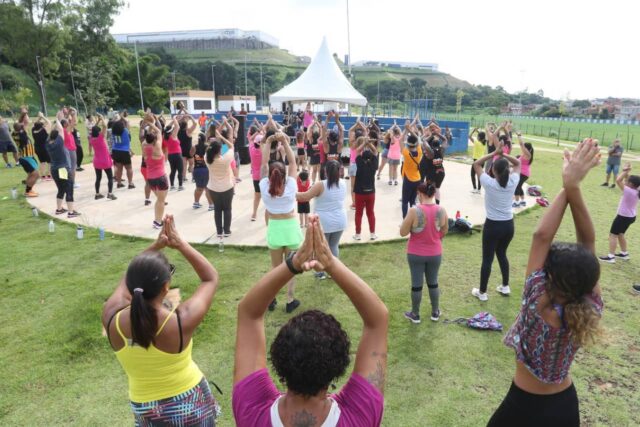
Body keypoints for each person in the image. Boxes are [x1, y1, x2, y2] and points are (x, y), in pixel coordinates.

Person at [488, 139, 603, 427]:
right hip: (564, 407)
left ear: (549, 278)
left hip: (522, 408)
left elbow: (543, 236)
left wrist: (570, 185)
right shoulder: (591, 306)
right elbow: (587, 242)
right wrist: (572, 185)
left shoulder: (537, 304)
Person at [232, 216, 387, 426]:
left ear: (278, 359)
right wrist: (330, 263)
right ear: (338, 367)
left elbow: (249, 313)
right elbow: (378, 319)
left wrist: (293, 264)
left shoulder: (253, 411)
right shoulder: (359, 416)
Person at [102, 215, 221, 426]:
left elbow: (131, 275)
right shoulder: (179, 322)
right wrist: (180, 244)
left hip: (145, 409)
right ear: (166, 287)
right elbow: (210, 277)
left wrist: (155, 247)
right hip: (190, 405)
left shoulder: (111, 316)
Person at [259, 131, 303, 313]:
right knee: (290, 268)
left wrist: (269, 143)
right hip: (291, 228)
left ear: (270, 175)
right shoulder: (291, 185)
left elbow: (263, 165)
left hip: (275, 228)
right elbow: (293, 162)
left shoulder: (263, 186)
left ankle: (271, 298)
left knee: (275, 268)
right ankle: (290, 300)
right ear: (284, 175)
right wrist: (285, 141)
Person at [471, 145, 521, 301]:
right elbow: (518, 164)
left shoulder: (489, 182)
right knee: (502, 253)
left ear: (493, 171)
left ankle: (483, 293)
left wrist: (494, 153)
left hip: (493, 226)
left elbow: (476, 164)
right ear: (507, 170)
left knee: (487, 259)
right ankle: (505, 286)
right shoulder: (513, 180)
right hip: (508, 225)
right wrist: (504, 154)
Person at [400, 182, 448, 323]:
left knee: (417, 284)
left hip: (415, 253)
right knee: (433, 282)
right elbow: (444, 230)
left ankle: (415, 314)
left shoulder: (414, 211)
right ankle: (435, 312)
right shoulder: (441, 210)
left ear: (419, 194)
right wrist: (435, 238)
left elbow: (403, 232)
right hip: (435, 253)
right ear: (433, 194)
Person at [297, 160, 348, 280]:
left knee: (320, 248)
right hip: (340, 220)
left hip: (324, 222)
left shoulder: (321, 185)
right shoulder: (343, 183)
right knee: (333, 246)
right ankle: (333, 272)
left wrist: (288, 192)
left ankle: (321, 272)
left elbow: (304, 196)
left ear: (326, 171)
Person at [598, 162, 639, 263]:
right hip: (631, 217)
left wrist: (625, 171)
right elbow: (627, 180)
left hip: (623, 217)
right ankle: (624, 253)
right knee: (621, 234)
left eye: (628, 181)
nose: (626, 182)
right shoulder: (637, 190)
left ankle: (611, 256)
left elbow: (618, 180)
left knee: (613, 235)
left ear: (631, 185)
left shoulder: (628, 191)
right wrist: (627, 172)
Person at [45, 122, 79, 217]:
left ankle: (59, 209)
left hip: (54, 169)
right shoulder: (59, 142)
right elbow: (60, 129)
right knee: (69, 189)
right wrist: (57, 119)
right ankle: (71, 212)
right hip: (63, 169)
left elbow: (50, 133)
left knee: (61, 189)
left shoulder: (47, 143)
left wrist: (53, 126)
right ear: (58, 137)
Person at [206, 129, 235, 238]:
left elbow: (210, 149)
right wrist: (222, 137)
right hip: (227, 187)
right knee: (227, 209)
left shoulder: (207, 158)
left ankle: (219, 232)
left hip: (213, 188)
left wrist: (215, 140)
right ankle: (227, 231)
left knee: (217, 210)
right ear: (220, 151)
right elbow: (231, 146)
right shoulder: (226, 158)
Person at [141, 119, 169, 229]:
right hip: (161, 177)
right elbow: (159, 131)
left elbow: (148, 138)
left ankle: (158, 219)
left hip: (150, 178)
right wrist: (152, 123)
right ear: (154, 140)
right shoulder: (157, 146)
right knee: (161, 201)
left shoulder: (144, 146)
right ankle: (157, 221)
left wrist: (147, 126)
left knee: (159, 200)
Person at [353, 136, 378, 241]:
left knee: (359, 213)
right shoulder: (374, 164)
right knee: (370, 213)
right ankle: (372, 234)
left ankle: (358, 235)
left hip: (359, 192)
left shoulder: (359, 162)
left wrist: (364, 143)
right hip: (370, 192)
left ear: (362, 156)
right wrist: (369, 143)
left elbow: (357, 150)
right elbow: (375, 151)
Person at [89, 115, 116, 201]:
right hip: (105, 160)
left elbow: (93, 129)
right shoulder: (100, 137)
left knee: (98, 178)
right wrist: (102, 118)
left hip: (97, 161)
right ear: (99, 132)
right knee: (110, 177)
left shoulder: (91, 139)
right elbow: (105, 126)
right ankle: (110, 194)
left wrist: (98, 121)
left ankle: (97, 194)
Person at [12, 122, 39, 197]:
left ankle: (29, 189)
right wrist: (23, 129)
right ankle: (28, 191)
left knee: (31, 174)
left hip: (27, 156)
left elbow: (18, 126)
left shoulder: (14, 133)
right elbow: (24, 138)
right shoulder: (22, 136)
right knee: (35, 174)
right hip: (26, 157)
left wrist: (22, 128)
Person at [401, 131, 424, 218]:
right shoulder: (419, 151)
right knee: (413, 202)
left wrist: (406, 130)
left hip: (408, 179)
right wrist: (410, 131)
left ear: (408, 144)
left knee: (404, 202)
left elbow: (400, 140)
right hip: (417, 179)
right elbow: (418, 140)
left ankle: (405, 220)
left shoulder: (406, 153)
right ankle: (413, 219)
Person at [111, 115, 135, 189]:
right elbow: (127, 123)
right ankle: (130, 183)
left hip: (115, 150)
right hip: (124, 151)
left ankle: (119, 183)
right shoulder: (125, 131)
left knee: (119, 168)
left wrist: (118, 119)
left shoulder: (113, 132)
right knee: (129, 168)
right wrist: (122, 117)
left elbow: (116, 124)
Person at [192, 132, 214, 210]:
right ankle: (211, 205)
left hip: (196, 169)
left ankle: (196, 203)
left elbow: (190, 154)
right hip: (205, 169)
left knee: (198, 187)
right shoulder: (207, 147)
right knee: (207, 188)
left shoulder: (194, 147)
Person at [164, 117, 185, 191]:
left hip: (170, 155)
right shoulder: (173, 135)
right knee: (180, 170)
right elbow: (177, 127)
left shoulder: (165, 136)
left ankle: (172, 186)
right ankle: (180, 186)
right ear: (171, 131)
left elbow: (167, 127)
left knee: (173, 171)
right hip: (177, 155)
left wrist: (174, 121)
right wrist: (174, 118)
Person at [513, 133, 534, 207]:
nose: (523, 148)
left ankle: (516, 202)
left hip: (523, 174)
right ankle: (523, 201)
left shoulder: (528, 155)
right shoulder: (525, 155)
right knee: (519, 186)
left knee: (517, 186)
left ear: (528, 149)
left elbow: (521, 144)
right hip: (522, 173)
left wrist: (519, 136)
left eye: (525, 147)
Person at [248, 123, 264, 221]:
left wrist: (258, 132)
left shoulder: (251, 149)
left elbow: (250, 140)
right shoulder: (264, 151)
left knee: (257, 195)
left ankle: (254, 214)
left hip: (255, 177)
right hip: (264, 176)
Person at [32, 113, 51, 180]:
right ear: (41, 126)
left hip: (37, 148)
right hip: (45, 148)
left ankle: (42, 176)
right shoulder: (44, 130)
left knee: (42, 162)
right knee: (49, 162)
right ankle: (49, 175)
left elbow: (34, 124)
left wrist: (39, 118)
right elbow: (49, 122)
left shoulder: (33, 130)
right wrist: (42, 116)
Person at [178, 115, 197, 183]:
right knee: (192, 164)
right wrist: (191, 117)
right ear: (186, 126)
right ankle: (194, 177)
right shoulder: (188, 131)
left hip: (181, 150)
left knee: (184, 165)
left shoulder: (178, 131)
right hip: (189, 150)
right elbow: (195, 124)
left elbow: (177, 123)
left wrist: (182, 118)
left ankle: (183, 177)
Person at [469, 128, 486, 193]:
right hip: (482, 161)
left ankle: (475, 188)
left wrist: (473, 131)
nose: (477, 137)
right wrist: (478, 132)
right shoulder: (484, 143)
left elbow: (469, 136)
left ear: (479, 137)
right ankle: (479, 189)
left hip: (476, 161)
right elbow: (482, 137)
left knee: (472, 174)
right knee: (480, 175)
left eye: (478, 136)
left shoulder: (477, 142)